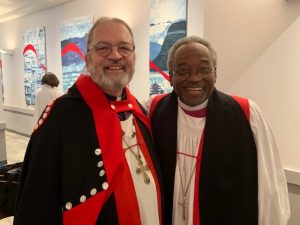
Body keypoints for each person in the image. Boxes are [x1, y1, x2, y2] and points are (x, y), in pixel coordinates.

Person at [13, 17, 163, 225]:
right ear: (88, 59)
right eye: (103, 48)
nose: (115, 55)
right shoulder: (60, 118)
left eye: (124, 48)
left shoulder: (137, 109)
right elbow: (36, 204)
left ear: (134, 56)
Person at [148, 36, 290, 225]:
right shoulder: (153, 110)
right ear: (171, 76)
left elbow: (270, 186)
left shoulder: (247, 114)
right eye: (182, 70)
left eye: (203, 69)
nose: (194, 78)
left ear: (215, 73)